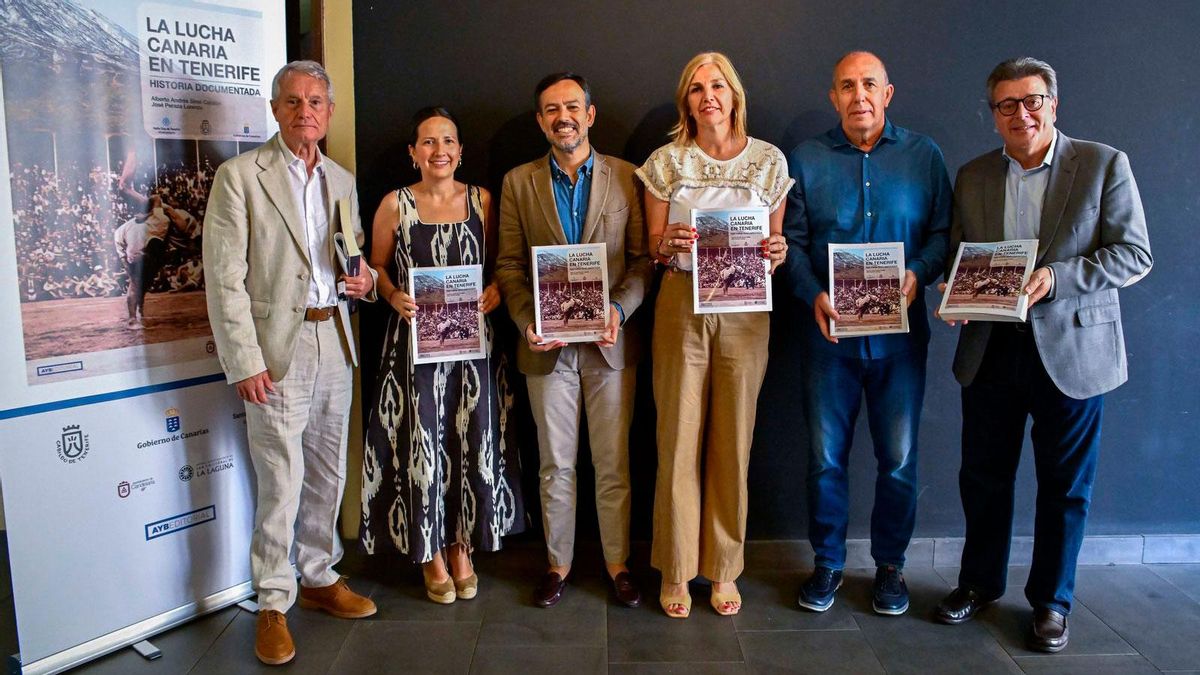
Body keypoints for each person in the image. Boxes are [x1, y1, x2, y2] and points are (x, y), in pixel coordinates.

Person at [934, 57, 1151, 652]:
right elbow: (959, 256)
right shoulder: (974, 174)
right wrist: (952, 294)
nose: (1021, 114)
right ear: (994, 114)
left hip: (1073, 350)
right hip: (991, 348)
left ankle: (1052, 602)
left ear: (1053, 104)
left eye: (1032, 101)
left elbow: (1134, 254)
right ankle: (978, 584)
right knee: (983, 478)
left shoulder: (1103, 164)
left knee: (1065, 486)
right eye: (1007, 105)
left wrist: (1056, 278)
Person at [203, 60, 378, 666]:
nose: (307, 111)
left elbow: (350, 261)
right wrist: (244, 360)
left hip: (335, 337)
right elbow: (223, 281)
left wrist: (367, 284)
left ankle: (320, 576)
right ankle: (273, 600)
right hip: (278, 348)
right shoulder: (239, 177)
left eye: (317, 102)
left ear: (329, 113)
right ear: (276, 109)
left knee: (329, 472)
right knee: (280, 478)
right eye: (294, 100)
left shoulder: (342, 179)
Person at [781, 51, 950, 616]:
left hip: (900, 343)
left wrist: (917, 274)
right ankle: (828, 564)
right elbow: (794, 245)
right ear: (834, 97)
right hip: (829, 339)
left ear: (888, 93)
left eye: (869, 85)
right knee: (825, 459)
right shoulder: (804, 160)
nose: (859, 95)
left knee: (898, 459)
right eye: (847, 86)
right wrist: (814, 296)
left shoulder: (924, 156)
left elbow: (943, 233)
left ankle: (890, 568)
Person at [636, 52, 791, 618]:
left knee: (734, 439)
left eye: (718, 86)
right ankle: (675, 569)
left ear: (734, 95)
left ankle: (723, 568)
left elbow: (775, 248)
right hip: (681, 302)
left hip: (748, 310)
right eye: (697, 88)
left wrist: (778, 252)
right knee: (676, 437)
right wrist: (668, 242)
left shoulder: (769, 162)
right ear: (687, 100)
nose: (709, 96)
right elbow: (651, 246)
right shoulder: (665, 162)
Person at [495, 72, 651, 610]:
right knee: (555, 463)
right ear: (541, 120)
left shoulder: (628, 177)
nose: (563, 116)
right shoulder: (519, 182)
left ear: (590, 113)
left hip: (609, 344)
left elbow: (641, 261)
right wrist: (523, 319)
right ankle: (557, 564)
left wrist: (618, 309)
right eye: (551, 109)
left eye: (572, 107)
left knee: (613, 463)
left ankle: (617, 564)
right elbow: (510, 265)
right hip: (546, 347)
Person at [359, 106, 524, 605]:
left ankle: (460, 547)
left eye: (448, 141)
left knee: (469, 440)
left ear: (460, 151)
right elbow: (378, 266)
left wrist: (496, 290)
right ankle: (428, 551)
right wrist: (391, 295)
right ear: (413, 153)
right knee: (424, 447)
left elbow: (502, 263)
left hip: (473, 349)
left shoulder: (483, 201)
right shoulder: (394, 205)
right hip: (414, 348)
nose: (440, 151)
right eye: (428, 143)